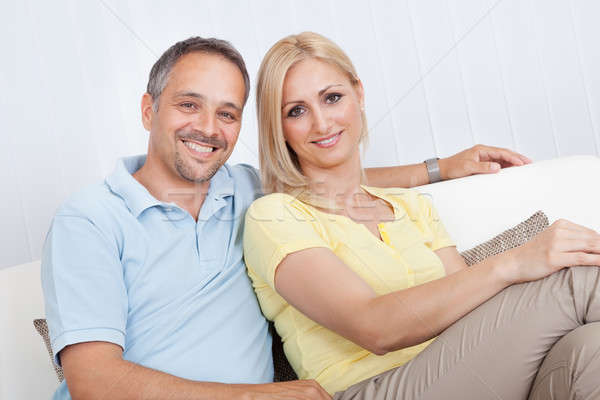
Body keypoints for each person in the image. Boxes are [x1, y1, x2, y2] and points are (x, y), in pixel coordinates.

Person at [41, 36, 531, 400]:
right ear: (149, 110)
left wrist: (440, 167)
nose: (207, 129)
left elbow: (333, 171)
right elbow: (94, 380)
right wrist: (257, 397)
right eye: (189, 105)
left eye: (227, 114)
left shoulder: (246, 190)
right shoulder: (90, 219)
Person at [244, 31, 600, 399]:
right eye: (296, 111)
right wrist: (514, 263)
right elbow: (375, 328)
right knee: (575, 283)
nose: (321, 123)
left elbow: (472, 317)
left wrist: (439, 168)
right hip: (373, 390)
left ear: (359, 94)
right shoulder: (274, 217)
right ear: (279, 126)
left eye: (332, 98)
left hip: (463, 375)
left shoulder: (410, 207)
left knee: (591, 351)